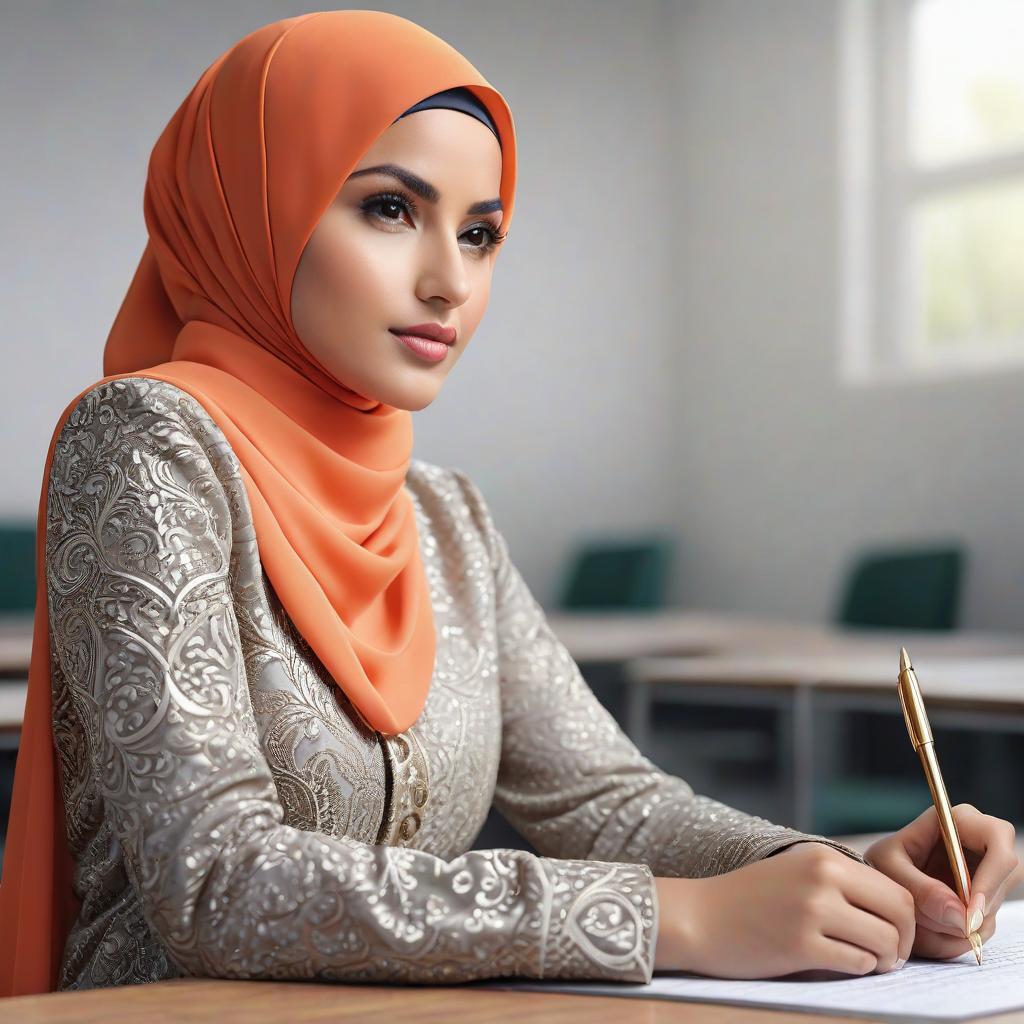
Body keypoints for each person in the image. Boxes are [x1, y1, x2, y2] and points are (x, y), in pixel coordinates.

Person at [1, 9, 1019, 997]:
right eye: (390, 208)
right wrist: (673, 920)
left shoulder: (446, 516)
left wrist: (840, 872)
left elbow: (607, 804)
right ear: (258, 206)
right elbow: (215, 880)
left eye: (481, 233)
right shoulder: (145, 440)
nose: (450, 281)